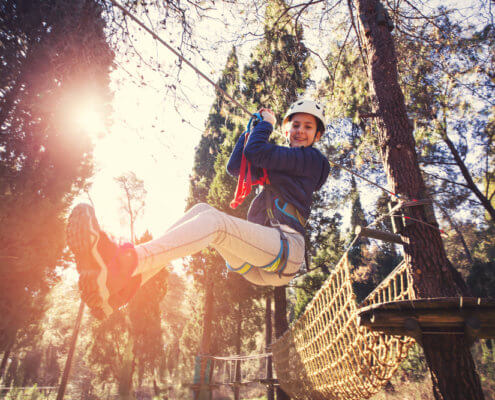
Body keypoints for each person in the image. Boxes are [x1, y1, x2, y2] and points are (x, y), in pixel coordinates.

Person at [67, 99, 330, 320]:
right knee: (202, 208)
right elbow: (236, 167)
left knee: (216, 224)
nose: (300, 131)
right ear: (288, 130)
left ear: (317, 136)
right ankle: (120, 292)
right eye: (295, 125)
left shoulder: (313, 161)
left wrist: (267, 124)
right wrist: (249, 132)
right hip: (259, 259)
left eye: (308, 127)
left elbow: (259, 153)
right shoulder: (283, 162)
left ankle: (124, 264)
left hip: (286, 250)